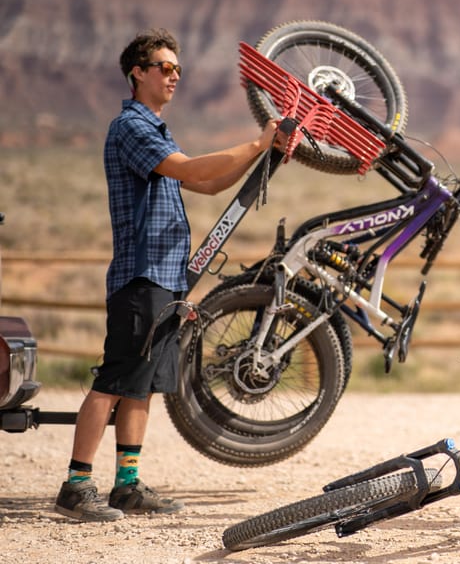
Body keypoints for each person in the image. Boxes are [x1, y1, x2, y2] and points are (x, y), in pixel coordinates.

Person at [54, 28, 286, 522]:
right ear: (138, 73)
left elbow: (207, 180)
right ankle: (75, 486)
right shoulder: (131, 127)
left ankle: (127, 486)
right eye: (165, 66)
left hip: (166, 277)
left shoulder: (157, 130)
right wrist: (255, 141)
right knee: (115, 378)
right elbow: (190, 168)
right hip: (141, 277)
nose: (175, 75)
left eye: (179, 68)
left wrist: (266, 156)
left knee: (142, 385)